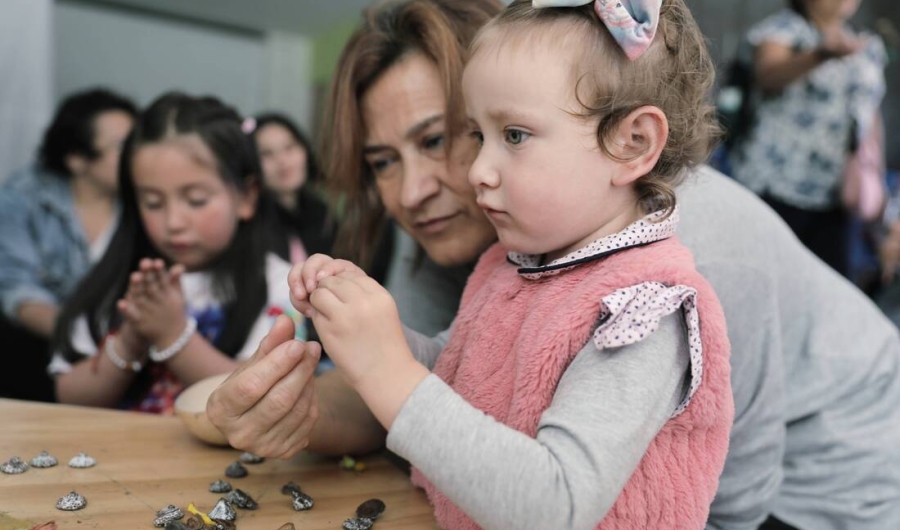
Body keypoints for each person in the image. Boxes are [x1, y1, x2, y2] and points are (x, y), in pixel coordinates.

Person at [207, 0, 900, 529]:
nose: (427, 186)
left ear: (629, 145)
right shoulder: (513, 254)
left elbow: (735, 495)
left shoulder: (662, 274)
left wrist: (389, 369)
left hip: (837, 479)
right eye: (384, 161)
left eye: (444, 138)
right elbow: (441, 380)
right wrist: (338, 351)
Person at [50, 92, 303, 413]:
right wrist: (129, 341)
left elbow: (260, 400)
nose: (174, 222)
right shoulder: (120, 281)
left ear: (246, 196)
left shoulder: (281, 286)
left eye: (196, 200)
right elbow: (69, 396)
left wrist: (173, 335)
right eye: (152, 202)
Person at [729, 0, 888, 277]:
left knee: (830, 287)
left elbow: (870, 116)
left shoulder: (866, 43)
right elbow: (768, 75)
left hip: (835, 194)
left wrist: (877, 175)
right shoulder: (782, 30)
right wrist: (820, 55)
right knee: (765, 275)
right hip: (775, 184)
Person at [0, 88, 136, 402]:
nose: (134, 155)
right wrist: (85, 336)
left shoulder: (140, 203)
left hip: (119, 352)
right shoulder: (22, 199)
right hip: (36, 350)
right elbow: (16, 290)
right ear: (77, 159)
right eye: (120, 146)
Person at [251, 113, 334, 264]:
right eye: (266, 154)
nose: (282, 161)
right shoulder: (250, 226)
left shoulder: (324, 217)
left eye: (289, 147)